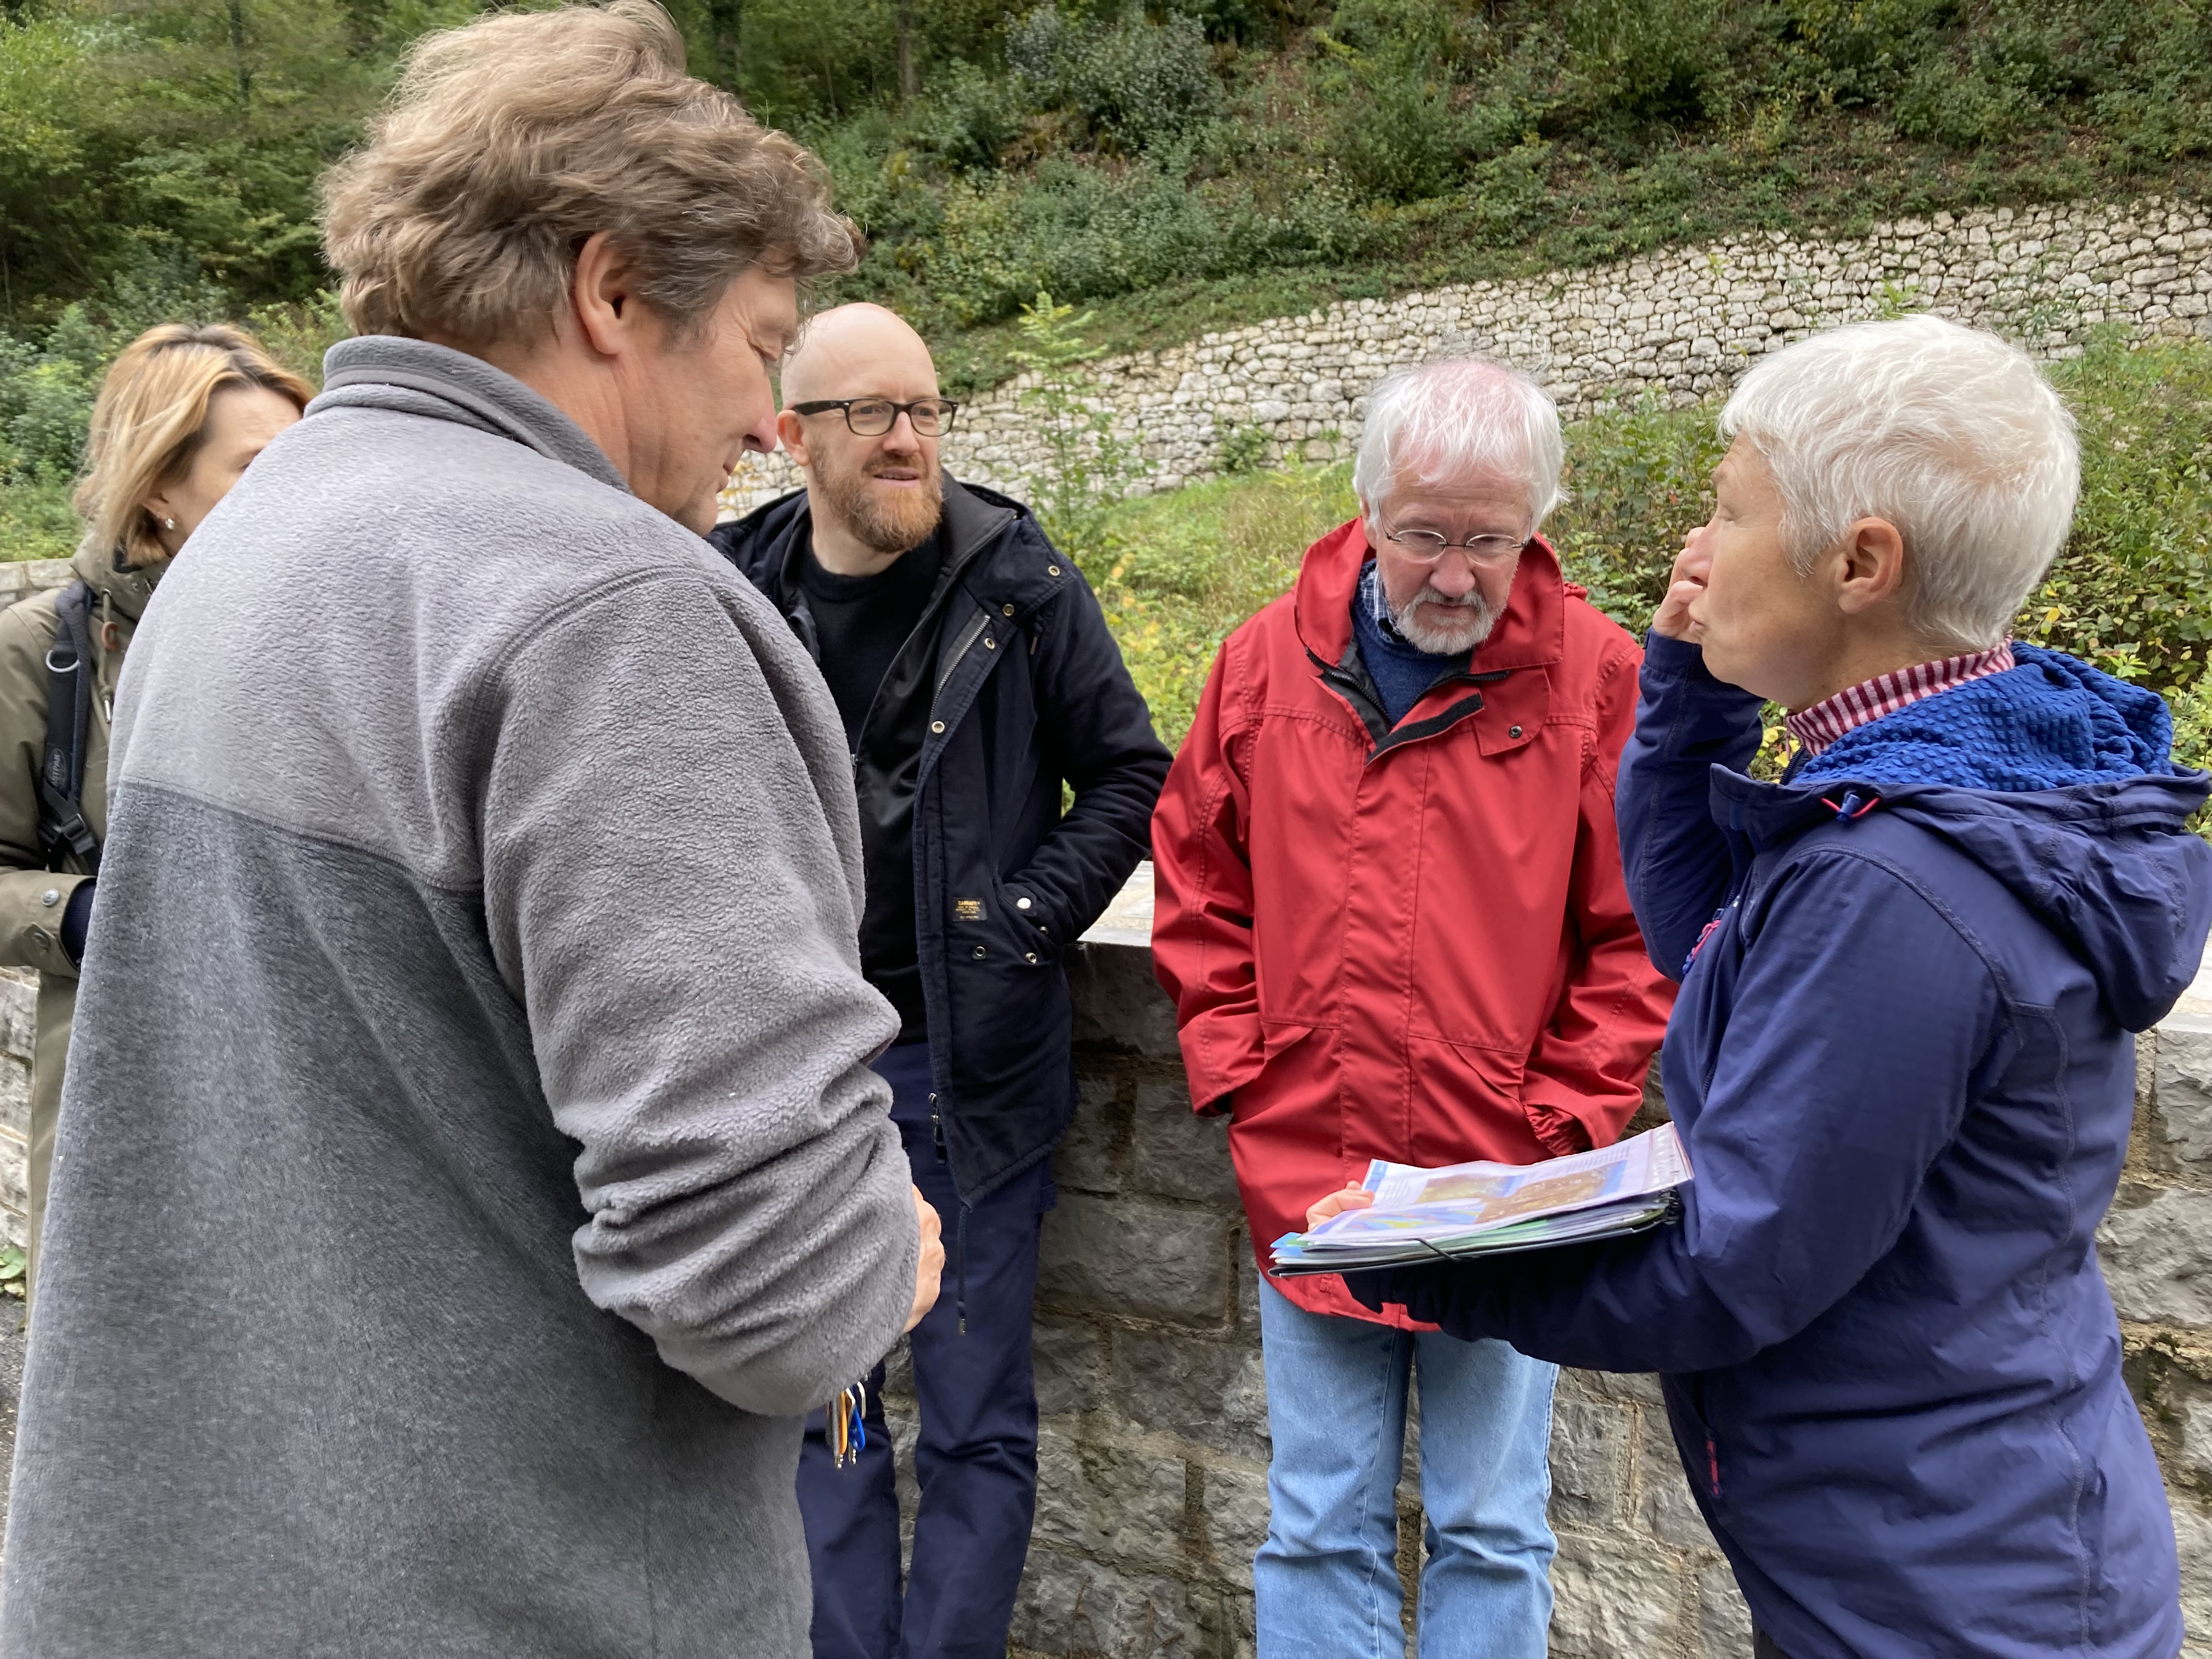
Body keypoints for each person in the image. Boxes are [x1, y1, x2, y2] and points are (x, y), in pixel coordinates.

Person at [1, 7, 941, 1656]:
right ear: (609, 291)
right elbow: (766, 1286)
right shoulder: (606, 607)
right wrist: (883, 1256)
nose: (771, 422)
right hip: (517, 1597)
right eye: (759, 345)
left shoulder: (243, 546)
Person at [1333, 316, 2212, 1659]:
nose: (1696, 552)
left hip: (1952, 1586)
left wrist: (1436, 1268)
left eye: (1731, 511)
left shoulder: (1899, 886)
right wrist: (1688, 690)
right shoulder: (1956, 785)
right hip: (1941, 1523)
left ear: (1860, 562)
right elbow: (1710, 942)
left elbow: (1734, 1265)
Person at [1149, 354, 1676, 1657]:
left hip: (1505, 1188)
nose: (1455, 575)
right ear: (1368, 511)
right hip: (1309, 1175)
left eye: (1488, 540)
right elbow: (1199, 881)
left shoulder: (1598, 679)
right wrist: (1244, 1075)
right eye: (1424, 536)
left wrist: (1556, 1132)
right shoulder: (1264, 664)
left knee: (1494, 1527)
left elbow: (1640, 932)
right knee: (1316, 1518)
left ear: (1535, 526)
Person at [710, 302, 1169, 1659]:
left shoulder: (1016, 580)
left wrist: (1025, 919)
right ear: (795, 436)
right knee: (832, 1411)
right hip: (799, 1081)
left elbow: (1132, 769)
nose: (909, 440)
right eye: (872, 415)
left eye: (925, 410)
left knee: (972, 1416)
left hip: (967, 1077)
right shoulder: (730, 588)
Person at [0, 323, 308, 1299]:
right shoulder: (42, 653)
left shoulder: (343, 628)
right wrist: (82, 915)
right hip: (134, 1092)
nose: (304, 496)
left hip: (319, 1082)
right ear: (156, 492)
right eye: (260, 469)